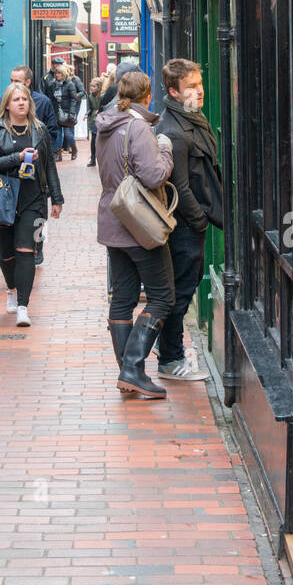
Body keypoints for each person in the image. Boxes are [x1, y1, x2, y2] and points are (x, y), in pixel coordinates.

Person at [95, 68, 175, 400]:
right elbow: (155, 176)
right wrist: (166, 150)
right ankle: (133, 369)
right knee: (162, 296)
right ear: (146, 96)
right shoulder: (139, 127)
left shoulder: (105, 124)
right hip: (140, 224)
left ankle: (129, 372)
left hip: (113, 218)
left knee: (123, 299)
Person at [155, 59, 223, 382]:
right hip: (184, 226)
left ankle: (168, 349)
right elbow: (179, 184)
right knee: (179, 293)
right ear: (173, 91)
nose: (200, 90)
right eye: (191, 86)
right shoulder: (174, 131)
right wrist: (198, 220)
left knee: (186, 286)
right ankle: (170, 359)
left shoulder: (192, 118)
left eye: (200, 83)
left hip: (194, 222)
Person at [0, 82, 63, 327]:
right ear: (7, 105)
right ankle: (11, 289)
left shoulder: (39, 130)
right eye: (16, 99)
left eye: (25, 99)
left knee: (27, 250)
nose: (21, 103)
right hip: (3, 200)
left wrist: (57, 198)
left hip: (33, 198)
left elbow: (49, 165)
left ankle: (23, 307)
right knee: (6, 254)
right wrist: (17, 158)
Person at [0, 65, 58, 147]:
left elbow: (52, 131)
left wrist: (40, 151)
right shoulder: (3, 101)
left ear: (28, 82)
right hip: (8, 154)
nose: (13, 84)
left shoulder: (43, 102)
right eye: (11, 81)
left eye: (17, 81)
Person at [50, 63, 79, 160]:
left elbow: (73, 99)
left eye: (59, 73)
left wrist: (71, 113)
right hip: (57, 112)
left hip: (67, 113)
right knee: (58, 134)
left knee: (67, 134)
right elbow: (52, 99)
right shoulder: (53, 84)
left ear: (63, 74)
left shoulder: (70, 84)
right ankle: (58, 154)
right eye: (56, 73)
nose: (57, 75)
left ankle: (74, 149)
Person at [86, 76, 102, 167]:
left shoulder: (102, 96)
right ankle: (92, 159)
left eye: (94, 86)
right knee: (93, 140)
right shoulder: (90, 96)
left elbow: (105, 107)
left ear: (99, 87)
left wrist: (99, 110)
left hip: (101, 119)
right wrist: (86, 114)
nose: (92, 88)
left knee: (100, 140)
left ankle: (100, 159)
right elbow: (90, 108)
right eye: (91, 86)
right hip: (93, 120)